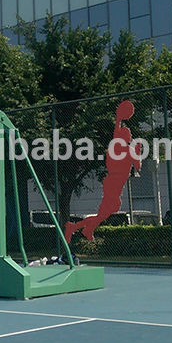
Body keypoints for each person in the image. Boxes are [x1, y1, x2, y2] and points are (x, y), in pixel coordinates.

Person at [64, 101, 142, 242]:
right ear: (125, 137)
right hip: (115, 184)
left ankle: (86, 229)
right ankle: (74, 227)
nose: (130, 136)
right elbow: (138, 167)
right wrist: (138, 152)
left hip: (111, 182)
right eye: (128, 134)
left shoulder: (114, 146)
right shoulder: (128, 150)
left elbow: (116, 131)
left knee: (107, 211)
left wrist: (118, 118)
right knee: (105, 213)